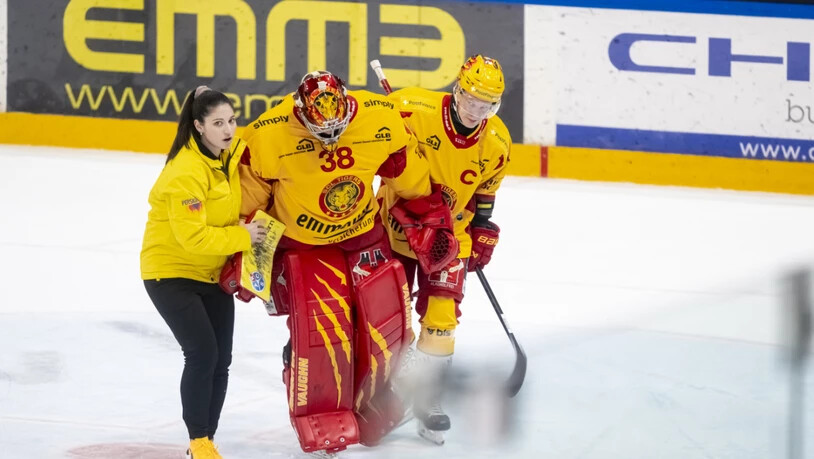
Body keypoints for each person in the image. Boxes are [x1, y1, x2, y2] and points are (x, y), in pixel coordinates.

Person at [234, 70, 456, 457]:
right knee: (318, 332)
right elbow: (248, 205)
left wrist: (430, 216)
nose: (330, 140)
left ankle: (377, 402)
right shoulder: (267, 136)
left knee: (384, 328)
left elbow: (406, 173)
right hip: (303, 246)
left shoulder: (378, 117)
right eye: (321, 132)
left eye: (337, 129)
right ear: (301, 112)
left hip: (363, 234)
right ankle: (315, 399)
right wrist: (246, 259)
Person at [377, 54, 511, 444]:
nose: (475, 110)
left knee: (441, 321)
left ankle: (427, 397)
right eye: (471, 99)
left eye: (485, 104)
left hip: (450, 239)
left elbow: (484, 195)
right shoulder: (409, 109)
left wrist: (484, 227)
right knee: (386, 320)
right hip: (395, 230)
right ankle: (371, 390)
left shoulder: (497, 143)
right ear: (457, 90)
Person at [140, 86, 268, 459]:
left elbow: (265, 136)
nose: (229, 129)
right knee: (202, 353)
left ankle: (205, 440)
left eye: (231, 120)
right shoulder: (185, 173)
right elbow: (192, 237)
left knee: (221, 359)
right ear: (198, 126)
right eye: (217, 123)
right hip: (171, 273)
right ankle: (198, 440)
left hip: (211, 273)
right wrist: (242, 237)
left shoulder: (226, 156)